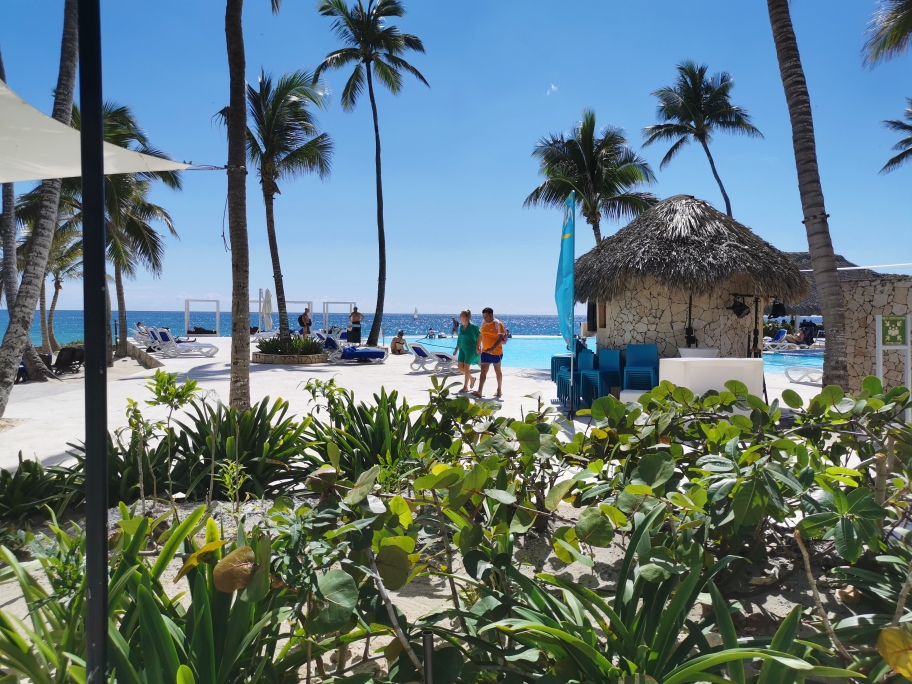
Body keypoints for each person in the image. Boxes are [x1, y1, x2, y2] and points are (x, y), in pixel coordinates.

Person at [474, 306, 506, 399]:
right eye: (483, 316)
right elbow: (481, 335)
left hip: (496, 352)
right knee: (483, 371)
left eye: (486, 316)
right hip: (485, 352)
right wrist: (478, 345)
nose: (484, 318)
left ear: (491, 315)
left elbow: (500, 337)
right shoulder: (484, 323)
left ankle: (499, 390)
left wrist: (493, 348)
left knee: (497, 370)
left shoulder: (498, 324)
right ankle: (480, 391)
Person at [454, 310, 480, 393]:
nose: (459, 317)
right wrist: (456, 349)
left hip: (470, 349)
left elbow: (480, 336)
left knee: (466, 368)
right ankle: (472, 379)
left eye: (461, 315)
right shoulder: (460, 327)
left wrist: (478, 346)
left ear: (465, 317)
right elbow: (459, 339)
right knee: (460, 368)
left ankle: (465, 387)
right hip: (462, 349)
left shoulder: (473, 327)